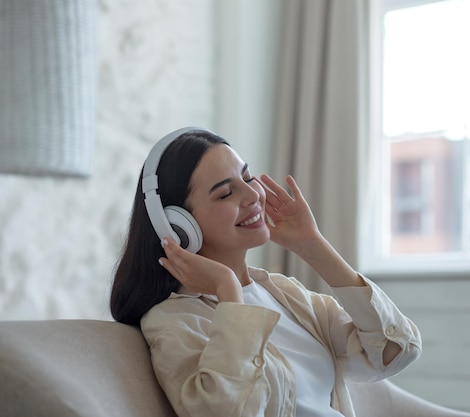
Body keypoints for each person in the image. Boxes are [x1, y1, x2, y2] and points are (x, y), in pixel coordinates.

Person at [110, 127, 421, 417]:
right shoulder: (174, 322)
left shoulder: (285, 295)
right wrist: (228, 291)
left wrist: (313, 245)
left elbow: (394, 350)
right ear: (178, 226)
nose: (252, 195)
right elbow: (224, 410)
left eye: (247, 177)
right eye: (225, 193)